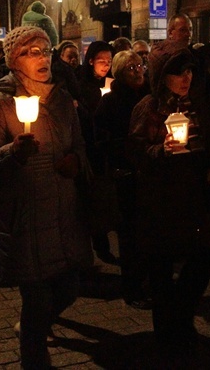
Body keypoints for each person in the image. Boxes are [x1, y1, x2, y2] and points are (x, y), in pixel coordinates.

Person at [0, 26, 93, 369]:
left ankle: (30, 328)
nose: (42, 58)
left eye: (45, 50)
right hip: (25, 219)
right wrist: (13, 152)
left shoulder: (61, 99)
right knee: (38, 302)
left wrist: (76, 162)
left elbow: (81, 146)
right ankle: (34, 359)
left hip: (63, 215)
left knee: (69, 289)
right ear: (14, 61)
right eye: (31, 52)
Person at [128, 40, 210, 356]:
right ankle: (168, 335)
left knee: (203, 258)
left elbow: (207, 140)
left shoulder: (197, 104)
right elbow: (136, 153)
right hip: (161, 201)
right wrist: (161, 152)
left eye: (190, 70)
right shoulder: (149, 108)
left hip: (193, 198)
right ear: (162, 75)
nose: (186, 78)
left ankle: (182, 318)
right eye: (178, 72)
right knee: (162, 271)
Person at [94, 50, 152, 309]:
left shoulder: (151, 97)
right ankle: (132, 288)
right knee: (130, 235)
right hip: (126, 175)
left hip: (150, 172)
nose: (138, 70)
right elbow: (102, 139)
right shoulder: (111, 102)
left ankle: (149, 281)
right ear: (118, 73)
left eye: (140, 65)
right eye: (131, 68)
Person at [77, 40, 119, 264]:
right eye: (101, 60)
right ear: (91, 60)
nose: (105, 65)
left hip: (107, 146)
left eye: (109, 61)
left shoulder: (114, 83)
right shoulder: (81, 85)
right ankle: (98, 243)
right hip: (89, 146)